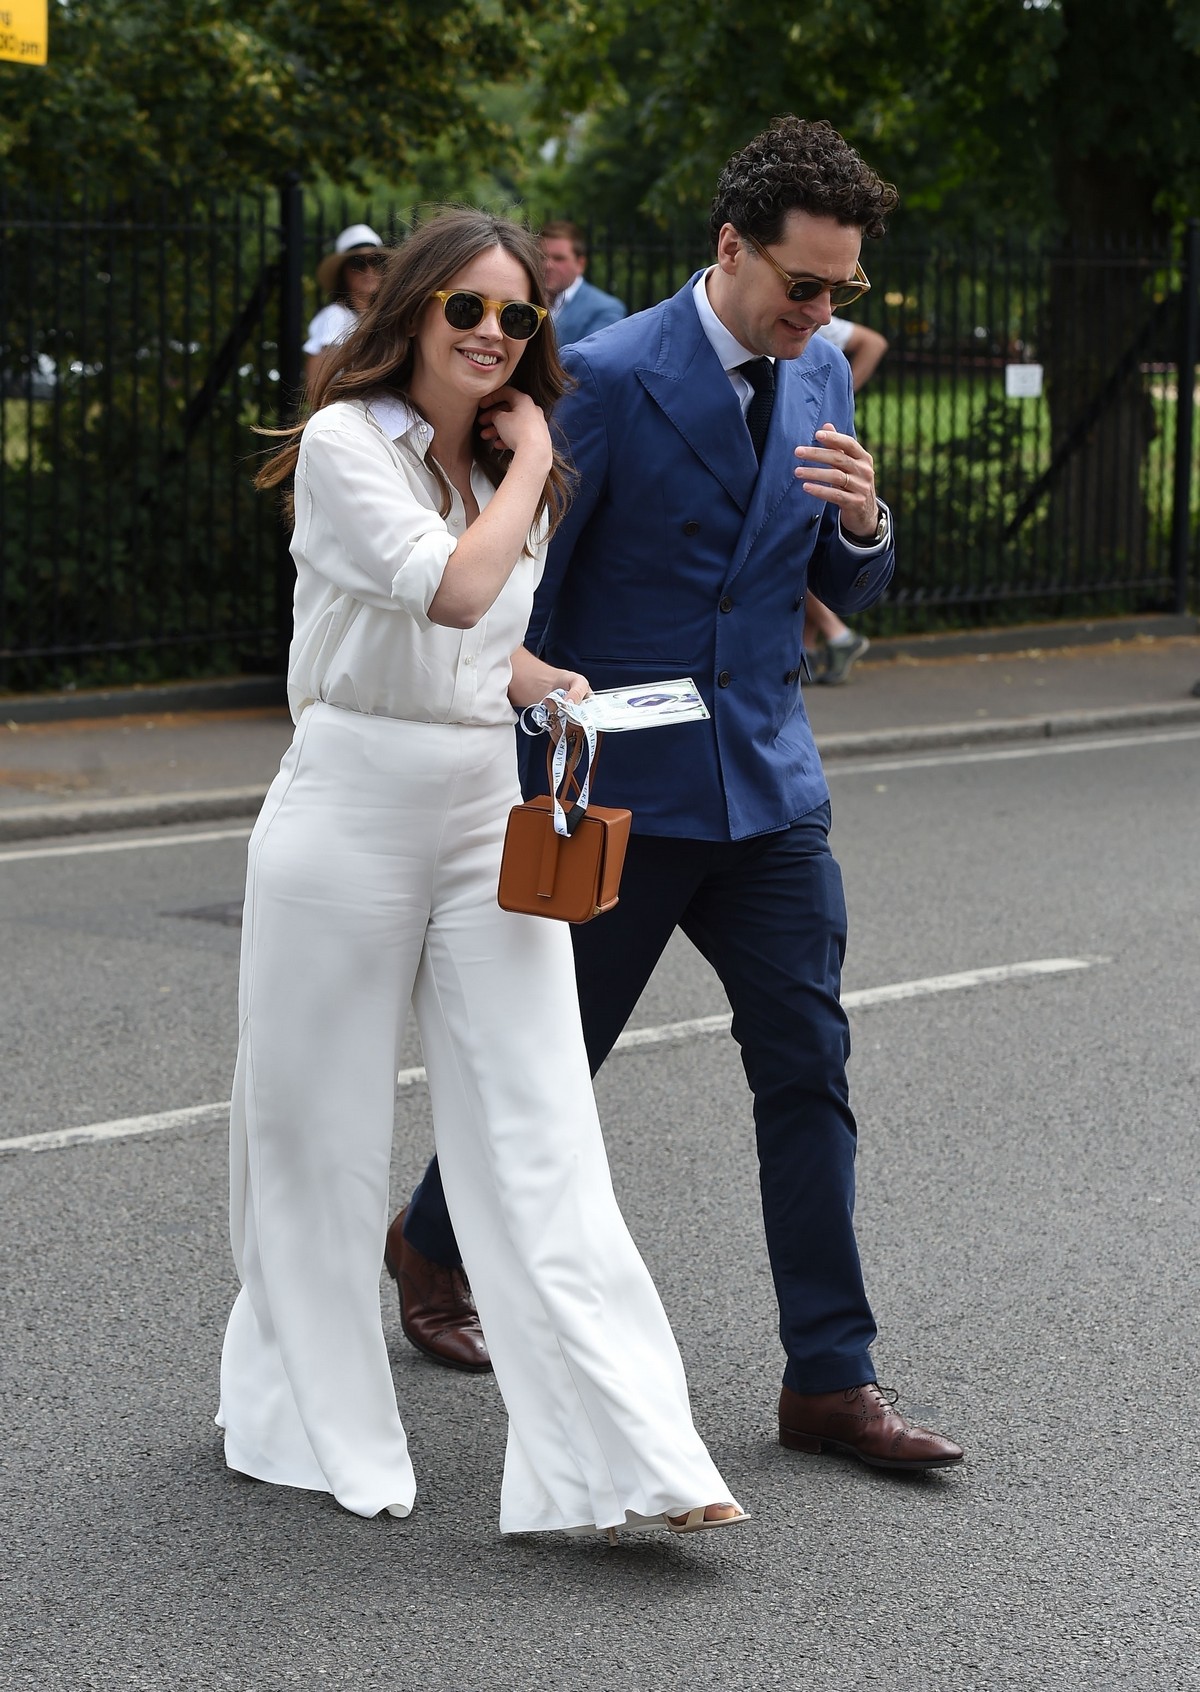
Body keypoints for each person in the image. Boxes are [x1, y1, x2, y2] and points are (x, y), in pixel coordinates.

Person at [393, 121, 965, 1475]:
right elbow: (513, 598)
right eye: (802, 286)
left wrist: (869, 529)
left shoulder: (820, 365)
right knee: (554, 1063)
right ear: (731, 249)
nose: (821, 315)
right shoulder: (599, 378)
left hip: (770, 784)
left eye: (841, 291)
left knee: (807, 1066)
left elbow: (835, 577)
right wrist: (534, 751)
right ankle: (432, 1235)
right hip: (618, 794)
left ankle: (832, 1379)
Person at [216, 207, 745, 1539]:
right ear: (410, 315)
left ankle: (626, 1458)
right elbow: (444, 593)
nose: (496, 337)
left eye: (520, 319)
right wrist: (538, 463)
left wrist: (543, 679)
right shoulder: (349, 446)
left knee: (540, 1117)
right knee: (315, 1125)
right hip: (345, 800)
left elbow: (477, 635)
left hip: (476, 799)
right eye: (469, 311)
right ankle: (308, 1416)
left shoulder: (500, 471)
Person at [805, 315, 892, 683]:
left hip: (817, 438)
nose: (823, 310)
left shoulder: (808, 315)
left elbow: (874, 342)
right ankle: (806, 652)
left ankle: (836, 636)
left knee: (798, 535)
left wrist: (837, 398)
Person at [303, 224, 387, 387]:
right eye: (358, 263)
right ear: (343, 272)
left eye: (376, 262)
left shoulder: (386, 315)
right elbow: (318, 383)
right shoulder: (335, 316)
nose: (369, 270)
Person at [540, 221, 626, 343]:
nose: (547, 265)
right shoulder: (526, 298)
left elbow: (594, 359)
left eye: (559, 258)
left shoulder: (605, 309)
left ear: (580, 264)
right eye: (541, 257)